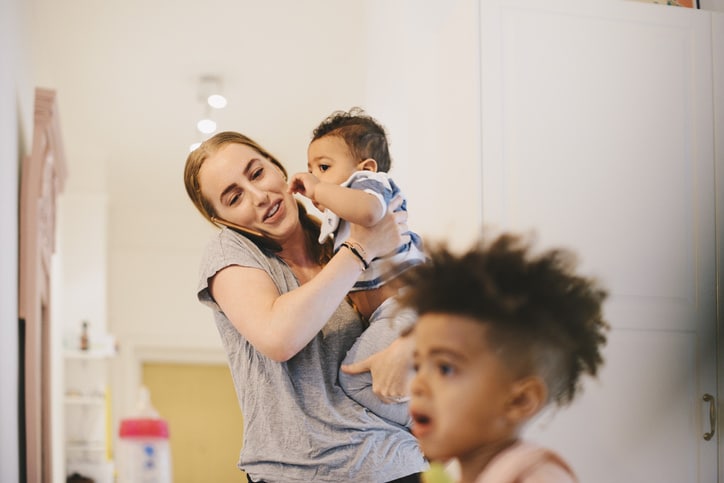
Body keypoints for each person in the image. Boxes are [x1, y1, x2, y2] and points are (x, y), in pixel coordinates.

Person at [183, 131, 426, 483]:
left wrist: (409, 343)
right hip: (301, 472)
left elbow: (423, 305)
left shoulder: (339, 235)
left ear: (278, 168)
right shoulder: (231, 252)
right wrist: (360, 248)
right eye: (234, 198)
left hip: (397, 463)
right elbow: (279, 336)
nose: (259, 196)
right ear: (222, 219)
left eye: (256, 173)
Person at [399, 233, 609, 483]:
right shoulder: (452, 473)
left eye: (445, 369)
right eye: (418, 366)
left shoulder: (538, 477)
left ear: (519, 400)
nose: (417, 385)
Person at [289, 108, 425, 427]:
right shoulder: (340, 220)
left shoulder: (370, 186)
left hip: (403, 308)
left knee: (354, 380)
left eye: (323, 167)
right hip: (391, 314)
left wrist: (318, 190)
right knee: (371, 377)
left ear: (366, 167)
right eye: (311, 170)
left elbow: (369, 212)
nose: (315, 178)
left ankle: (429, 423)